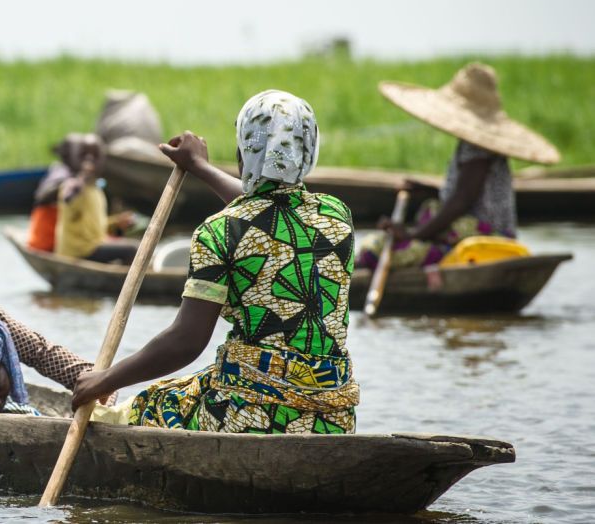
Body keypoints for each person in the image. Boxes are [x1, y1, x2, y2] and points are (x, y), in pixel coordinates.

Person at [72, 90, 361, 434]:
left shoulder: (219, 231)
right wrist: (199, 167)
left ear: (244, 153)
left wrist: (105, 379)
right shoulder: (336, 215)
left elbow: (186, 342)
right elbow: (266, 213)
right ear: (308, 151)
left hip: (249, 414)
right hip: (333, 416)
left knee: (150, 404)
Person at [357, 63, 561, 269]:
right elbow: (468, 195)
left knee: (373, 251)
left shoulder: (479, 148)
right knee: (430, 209)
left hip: (485, 242)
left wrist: (412, 234)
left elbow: (462, 201)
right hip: (481, 236)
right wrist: (428, 190)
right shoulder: (476, 147)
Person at [52, 135, 139, 264]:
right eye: (84, 155)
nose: (89, 159)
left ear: (102, 160)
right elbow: (68, 198)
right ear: (76, 158)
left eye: (95, 155)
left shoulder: (96, 189)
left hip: (93, 246)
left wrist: (117, 223)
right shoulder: (72, 185)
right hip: (77, 252)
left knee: (135, 244)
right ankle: (127, 282)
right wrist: (81, 179)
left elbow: (95, 228)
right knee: (133, 249)